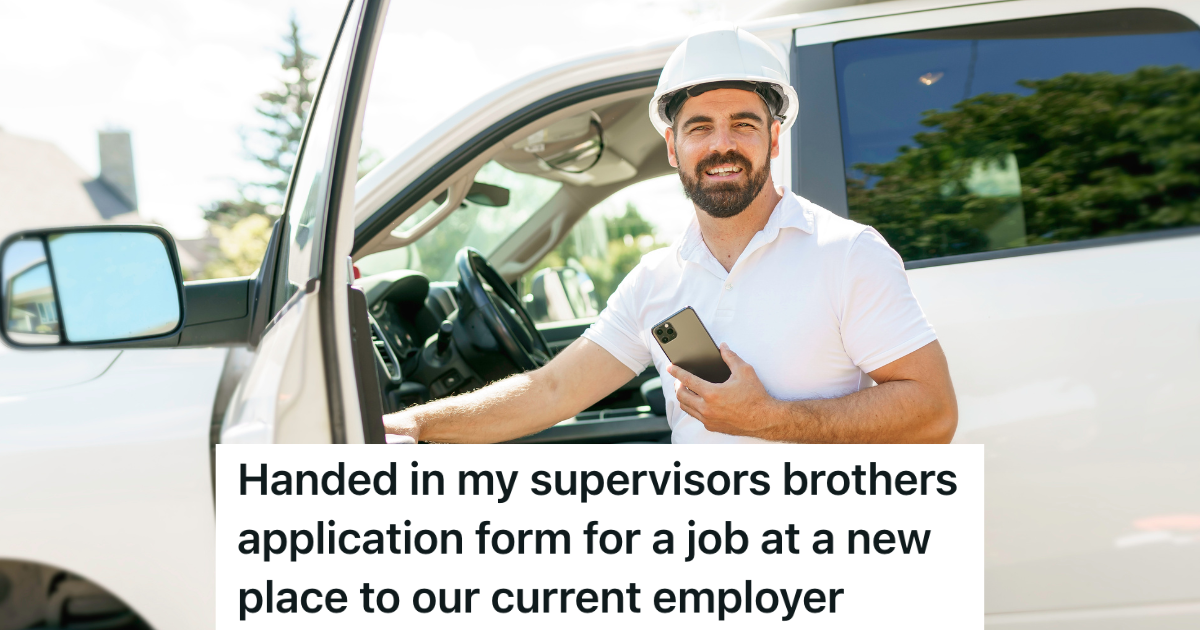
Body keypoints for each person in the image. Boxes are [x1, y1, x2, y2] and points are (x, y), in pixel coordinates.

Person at [384, 24, 957, 444]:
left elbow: (934, 411)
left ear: (774, 139)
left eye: (744, 124)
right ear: (672, 146)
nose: (721, 145)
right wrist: (417, 421)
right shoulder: (656, 281)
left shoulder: (848, 254)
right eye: (700, 127)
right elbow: (553, 392)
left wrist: (768, 418)